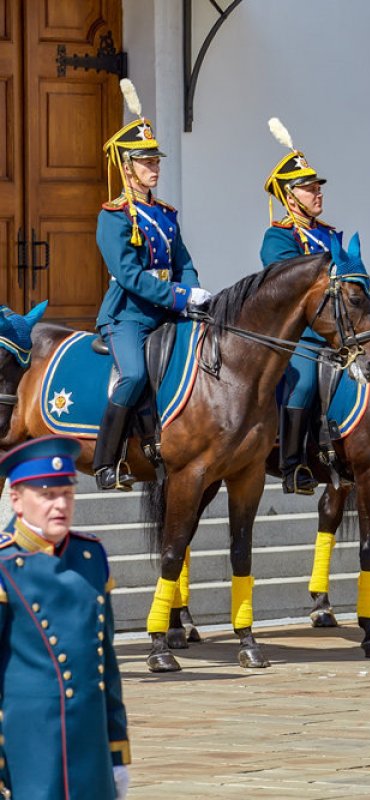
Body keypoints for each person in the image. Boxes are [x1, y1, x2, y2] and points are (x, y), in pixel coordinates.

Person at [94, 80, 211, 491]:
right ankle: (105, 462)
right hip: (128, 315)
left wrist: (195, 292)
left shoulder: (164, 213)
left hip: (168, 312)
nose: (155, 168)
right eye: (146, 162)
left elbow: (183, 261)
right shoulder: (113, 216)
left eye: (156, 161)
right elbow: (128, 275)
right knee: (134, 375)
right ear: (127, 168)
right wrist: (179, 295)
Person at [0, 436, 130, 799]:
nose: (60, 505)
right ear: (17, 500)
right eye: (46, 494)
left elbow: (107, 664)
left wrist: (116, 754)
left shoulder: (90, 557)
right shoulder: (4, 566)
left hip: (89, 752)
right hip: (29, 752)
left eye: (67, 494)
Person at [261, 118, 339, 494]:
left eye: (317, 186)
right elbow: (283, 291)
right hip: (301, 334)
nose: (317, 193)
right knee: (305, 381)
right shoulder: (278, 238)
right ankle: (292, 465)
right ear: (290, 197)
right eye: (309, 189)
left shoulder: (329, 235)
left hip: (339, 328)